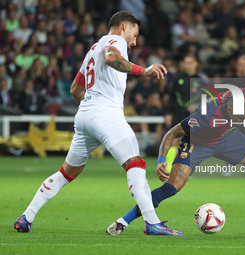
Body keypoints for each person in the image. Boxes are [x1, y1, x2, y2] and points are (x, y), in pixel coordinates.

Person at [107, 54, 245, 235]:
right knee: (171, 188)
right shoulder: (204, 115)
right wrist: (160, 159)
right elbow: (172, 134)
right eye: (241, 115)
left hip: (226, 138)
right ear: (228, 108)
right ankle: (123, 221)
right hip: (197, 142)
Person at [14, 11, 183, 236]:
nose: (134, 40)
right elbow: (112, 58)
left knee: (66, 172)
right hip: (106, 114)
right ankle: (152, 222)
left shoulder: (93, 49)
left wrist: (90, 110)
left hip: (85, 116)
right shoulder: (116, 41)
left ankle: (26, 217)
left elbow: (76, 90)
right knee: (136, 164)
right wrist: (144, 71)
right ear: (124, 26)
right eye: (135, 33)